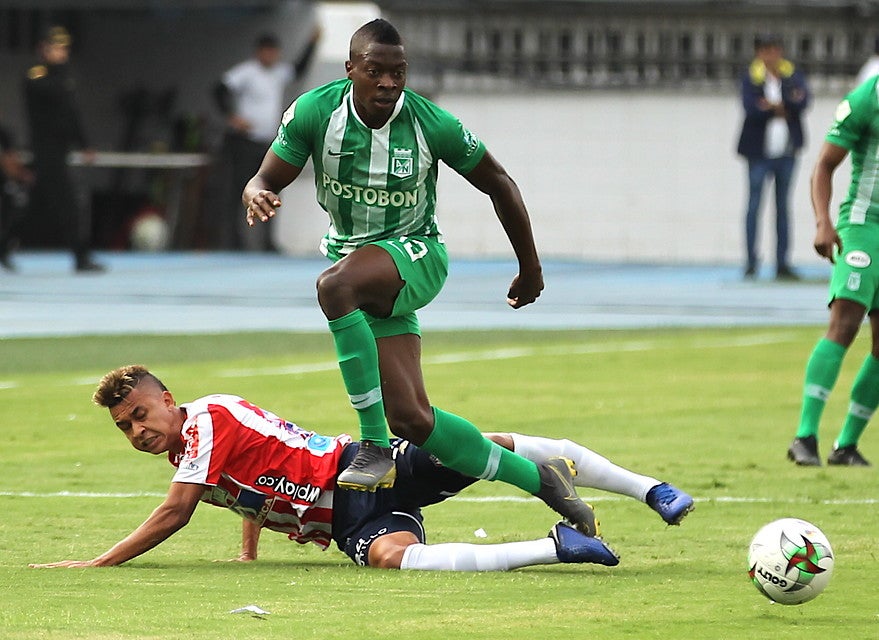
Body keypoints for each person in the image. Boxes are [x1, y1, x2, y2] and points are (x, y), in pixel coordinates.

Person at [241, 19, 695, 535]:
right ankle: (541, 480)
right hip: (364, 271)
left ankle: (373, 446)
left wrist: (530, 266)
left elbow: (499, 182)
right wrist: (256, 193)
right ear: (350, 70)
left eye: (398, 72)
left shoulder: (430, 123)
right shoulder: (313, 112)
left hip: (416, 256)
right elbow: (265, 176)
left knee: (333, 286)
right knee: (413, 420)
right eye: (375, 72)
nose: (388, 83)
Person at [29, 365, 695, 570]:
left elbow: (178, 510)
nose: (137, 431)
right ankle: (560, 547)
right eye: (125, 427)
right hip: (344, 518)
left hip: (358, 469)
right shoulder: (191, 446)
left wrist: (97, 564)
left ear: (167, 400)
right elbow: (245, 486)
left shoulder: (207, 419)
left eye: (140, 414)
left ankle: (649, 489)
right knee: (389, 557)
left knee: (481, 446)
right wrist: (249, 550)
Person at [787, 74, 879, 468]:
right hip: (863, 226)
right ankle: (805, 436)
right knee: (844, 324)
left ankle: (846, 446)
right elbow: (823, 166)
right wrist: (823, 222)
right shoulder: (867, 98)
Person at [213, 29, 319, 251]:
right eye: (267, 51)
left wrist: (312, 43)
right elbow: (219, 89)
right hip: (245, 140)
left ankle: (267, 240)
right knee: (240, 188)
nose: (270, 56)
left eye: (273, 52)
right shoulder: (247, 72)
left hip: (268, 142)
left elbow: (298, 69)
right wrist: (232, 117)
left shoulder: (278, 72)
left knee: (271, 187)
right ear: (259, 52)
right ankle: (233, 240)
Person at [22, 25, 103, 273]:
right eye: (56, 48)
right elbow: (52, 101)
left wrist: (84, 144)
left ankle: (3, 245)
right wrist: (59, 75)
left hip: (59, 150)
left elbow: (72, 116)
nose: (62, 53)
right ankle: (81, 257)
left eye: (64, 48)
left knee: (34, 206)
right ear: (43, 49)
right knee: (69, 205)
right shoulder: (36, 76)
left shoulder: (65, 78)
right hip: (45, 151)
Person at [736, 33, 810, 281]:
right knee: (754, 206)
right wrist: (781, 107)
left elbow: (803, 101)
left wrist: (773, 104)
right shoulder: (751, 76)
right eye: (766, 50)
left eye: (775, 50)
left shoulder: (791, 74)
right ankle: (751, 261)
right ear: (759, 53)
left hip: (786, 152)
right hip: (759, 153)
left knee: (783, 207)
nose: (772, 55)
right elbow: (751, 108)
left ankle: (782, 262)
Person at [0, 114, 33, 271]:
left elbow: (10, 158)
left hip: (3, 182)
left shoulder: (4, 133)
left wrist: (20, 173)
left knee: (10, 214)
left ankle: (3, 252)